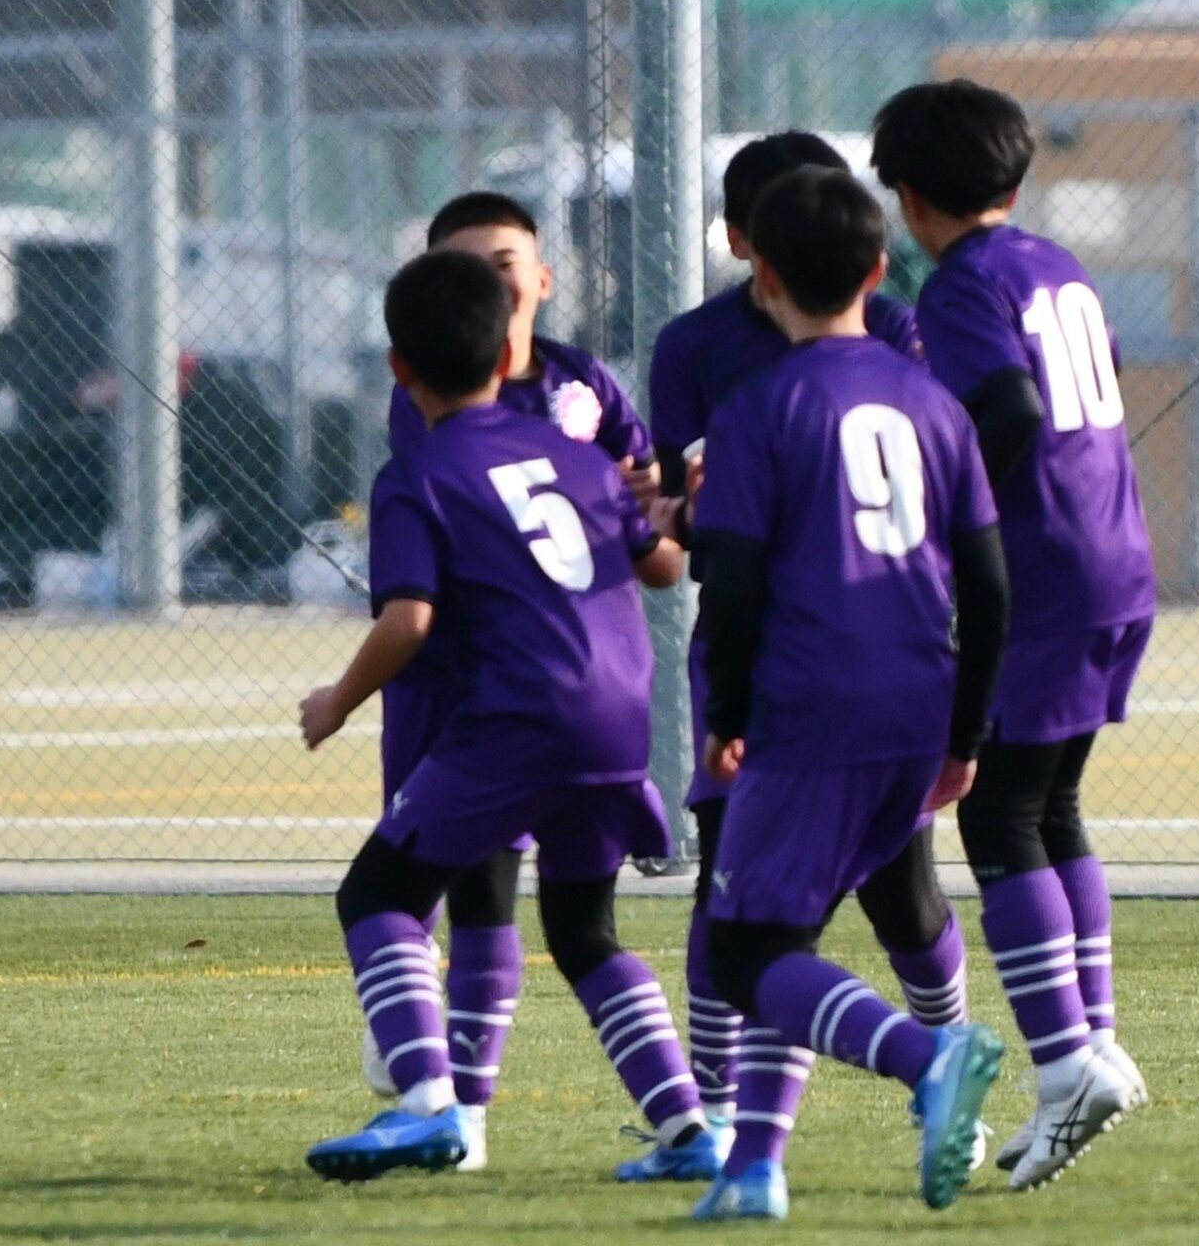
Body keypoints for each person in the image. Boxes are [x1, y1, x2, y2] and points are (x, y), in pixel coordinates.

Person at [299, 250, 716, 1182]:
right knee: (584, 930)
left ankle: (427, 1105)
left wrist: (336, 702)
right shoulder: (579, 459)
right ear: (505, 356)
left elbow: (409, 620)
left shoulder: (416, 474)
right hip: (620, 720)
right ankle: (689, 1128)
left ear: (398, 368)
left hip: (522, 717)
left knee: (377, 896)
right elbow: (660, 564)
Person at [690, 167, 1009, 1221]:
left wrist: (726, 714)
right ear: (879, 271)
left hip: (812, 707)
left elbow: (734, 583)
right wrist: (968, 728)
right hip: (917, 701)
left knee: (747, 949)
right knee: (787, 932)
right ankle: (754, 1170)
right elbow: (989, 582)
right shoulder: (932, 402)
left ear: (764, 278)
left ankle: (928, 1056)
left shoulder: (762, 407)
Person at [871, 78, 1153, 1189]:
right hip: (1116, 554)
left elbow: (1012, 408)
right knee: (1053, 805)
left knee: (998, 812)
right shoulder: (1057, 264)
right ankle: (1095, 1044)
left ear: (907, 196)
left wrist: (951, 504)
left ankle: (1065, 1062)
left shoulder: (961, 284)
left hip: (1045, 570)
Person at [359, 191, 661, 1173]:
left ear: (541, 276)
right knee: (492, 897)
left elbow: (657, 545)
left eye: (501, 263)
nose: (488, 281)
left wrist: (657, 506)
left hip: (520, 700)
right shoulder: (438, 412)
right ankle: (462, 1098)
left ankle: (443, 1099)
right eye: (463, 267)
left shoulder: (583, 386)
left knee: (418, 892)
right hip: (476, 688)